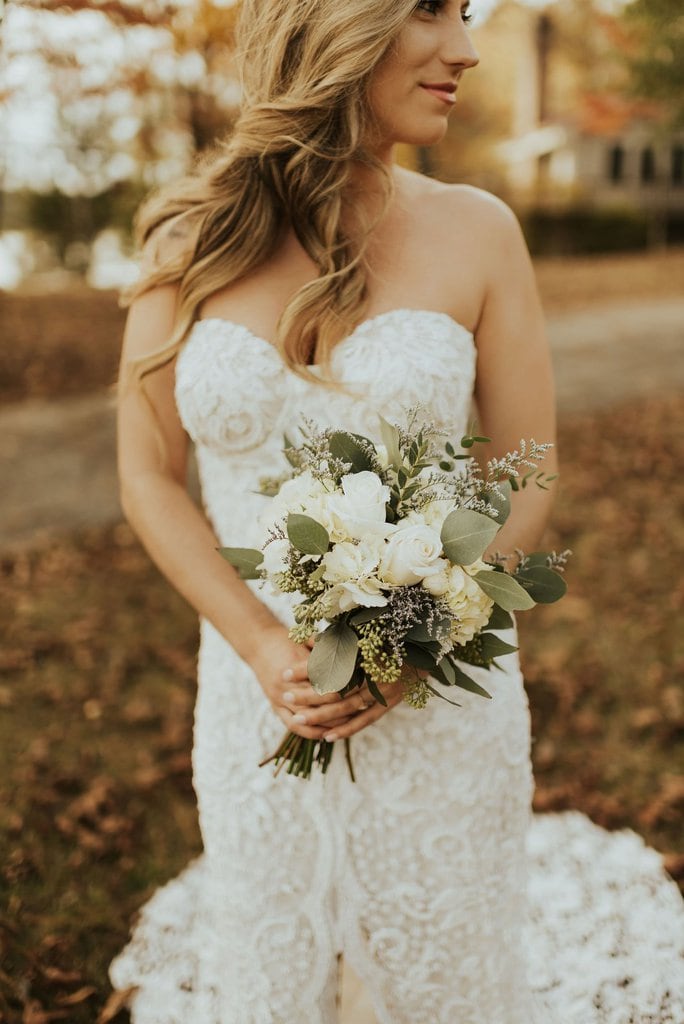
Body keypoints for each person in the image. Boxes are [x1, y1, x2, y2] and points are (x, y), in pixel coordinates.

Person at [110, 0, 684, 1020]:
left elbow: (525, 463)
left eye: (467, 15)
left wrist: (416, 637)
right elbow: (149, 471)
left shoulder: (481, 231)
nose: (464, 48)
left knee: (445, 976)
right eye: (431, 10)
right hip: (255, 696)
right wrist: (257, 644)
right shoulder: (185, 234)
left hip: (441, 692)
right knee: (272, 974)